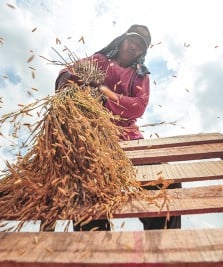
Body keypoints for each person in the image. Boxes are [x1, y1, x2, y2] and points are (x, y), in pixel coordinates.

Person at [55, 25, 181, 230]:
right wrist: (67, 80)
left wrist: (104, 95)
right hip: (92, 136)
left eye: (140, 46)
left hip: (127, 136)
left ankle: (161, 237)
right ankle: (95, 244)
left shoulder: (141, 75)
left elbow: (138, 106)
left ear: (142, 52)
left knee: (164, 180)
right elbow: (69, 70)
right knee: (86, 184)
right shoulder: (98, 61)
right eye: (132, 41)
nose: (134, 47)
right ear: (122, 40)